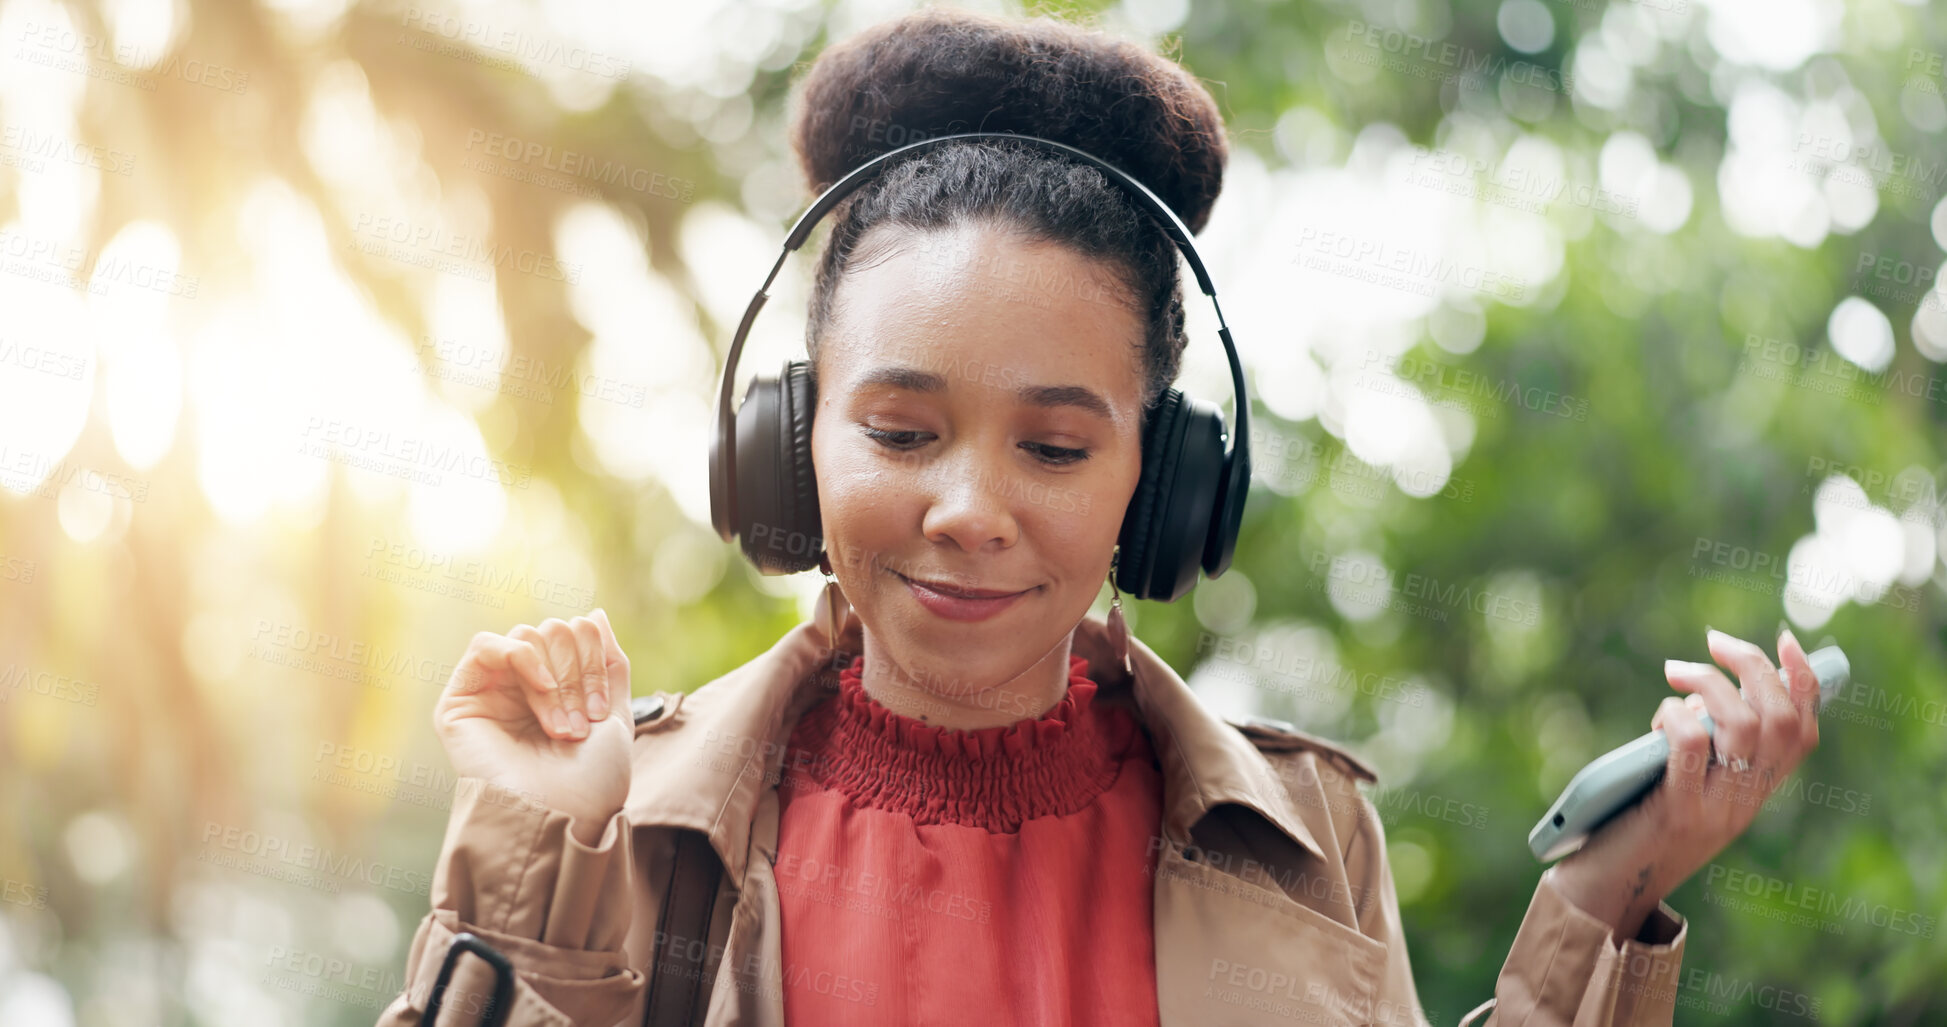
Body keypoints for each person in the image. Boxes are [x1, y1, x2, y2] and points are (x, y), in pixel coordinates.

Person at [376, 8, 1824, 1026]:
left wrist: (1608, 894)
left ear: (1167, 481)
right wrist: (535, 857)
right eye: (899, 431)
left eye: (1056, 447)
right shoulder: (620, 822)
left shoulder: (1307, 843)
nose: (968, 511)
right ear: (785, 441)